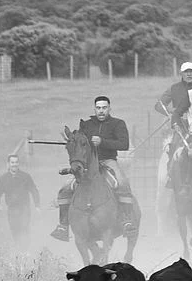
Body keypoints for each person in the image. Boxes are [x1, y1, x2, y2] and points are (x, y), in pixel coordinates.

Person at [50, 96, 135, 242]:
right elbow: (79, 140)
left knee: (122, 183)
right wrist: (70, 139)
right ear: (94, 109)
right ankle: (63, 226)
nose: (101, 111)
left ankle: (127, 221)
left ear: (109, 108)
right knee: (64, 189)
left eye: (104, 107)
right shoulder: (87, 125)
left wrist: (103, 142)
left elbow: (124, 144)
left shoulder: (118, 124)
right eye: (98, 108)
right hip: (88, 165)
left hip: (108, 161)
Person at [158, 62, 192, 189]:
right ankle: (171, 175)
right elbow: (159, 105)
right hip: (180, 127)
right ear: (181, 73)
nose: (189, 74)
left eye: (191, 71)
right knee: (174, 147)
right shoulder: (174, 88)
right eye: (186, 72)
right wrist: (171, 113)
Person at [0, 154, 40, 246]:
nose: (14, 164)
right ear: (8, 164)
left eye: (16, 162)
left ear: (19, 163)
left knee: (24, 228)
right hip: (12, 209)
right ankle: (19, 250)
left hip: (24, 208)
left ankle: (26, 250)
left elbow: (34, 190)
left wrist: (37, 205)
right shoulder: (4, 178)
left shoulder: (25, 177)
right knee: (14, 229)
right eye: (12, 162)